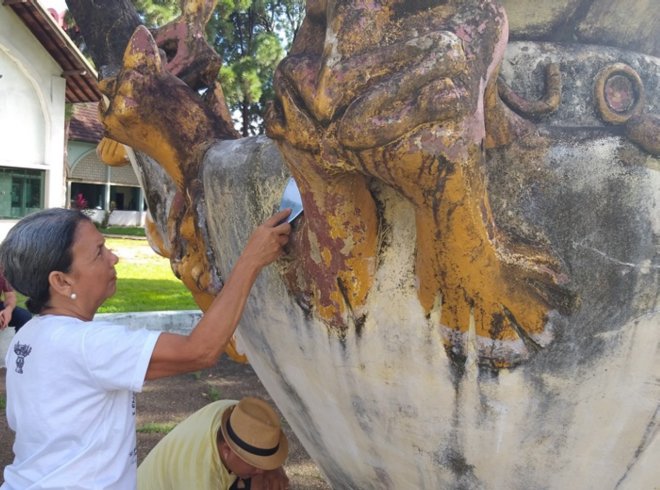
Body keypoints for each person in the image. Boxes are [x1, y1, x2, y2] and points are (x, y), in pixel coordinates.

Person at [0, 207, 291, 490]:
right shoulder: (86, 344)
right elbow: (200, 351)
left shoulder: (29, 337)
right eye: (99, 252)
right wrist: (251, 259)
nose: (113, 258)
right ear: (61, 281)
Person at [138, 397, 289, 490]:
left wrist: (273, 468)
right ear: (226, 450)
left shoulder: (236, 415)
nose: (261, 470)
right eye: (255, 464)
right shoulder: (199, 478)